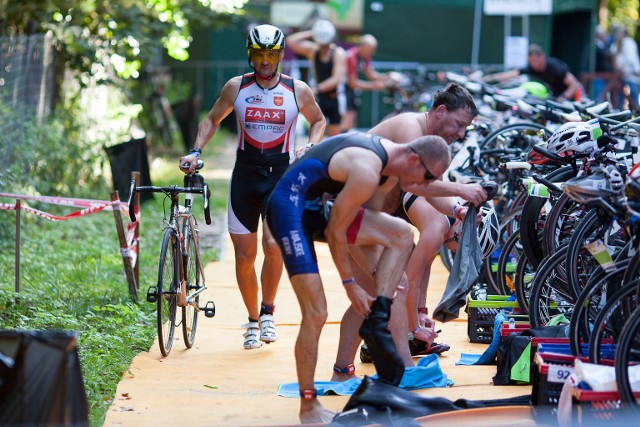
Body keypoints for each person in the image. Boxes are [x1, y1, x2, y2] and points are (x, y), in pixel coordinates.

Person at [266, 132, 451, 424]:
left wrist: (378, 274)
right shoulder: (368, 170)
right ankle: (308, 406)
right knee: (316, 312)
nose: (423, 186)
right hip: (290, 209)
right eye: (426, 177)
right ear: (413, 159)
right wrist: (350, 285)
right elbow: (338, 234)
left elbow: (361, 235)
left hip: (320, 208)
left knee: (401, 234)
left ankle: (377, 320)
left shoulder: (389, 172)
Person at [179, 24, 325, 350]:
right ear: (250, 54)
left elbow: (318, 120)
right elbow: (211, 119)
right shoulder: (236, 87)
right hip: (244, 176)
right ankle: (252, 320)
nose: (265, 60)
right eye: (259, 53)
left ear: (280, 55)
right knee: (245, 256)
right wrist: (196, 150)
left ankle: (268, 311)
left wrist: (312, 145)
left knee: (273, 246)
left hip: (280, 176)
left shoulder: (296, 89)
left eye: (271, 54)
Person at [330, 83, 487, 380]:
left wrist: (456, 210)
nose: (461, 133)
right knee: (396, 284)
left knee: (374, 294)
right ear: (440, 111)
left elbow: (428, 191)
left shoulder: (431, 142)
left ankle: (343, 370)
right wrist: (461, 190)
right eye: (459, 124)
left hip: (366, 216)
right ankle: (404, 367)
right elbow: (413, 185)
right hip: (351, 212)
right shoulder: (409, 128)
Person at [286, 19, 347, 136]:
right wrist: (313, 32)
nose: (323, 47)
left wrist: (315, 89)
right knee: (316, 131)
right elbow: (291, 41)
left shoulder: (338, 53)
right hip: (320, 98)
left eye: (325, 45)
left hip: (335, 98)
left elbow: (335, 80)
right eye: (321, 44)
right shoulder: (314, 51)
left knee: (334, 135)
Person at [341, 34, 401, 131]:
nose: (372, 52)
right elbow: (352, 83)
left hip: (351, 91)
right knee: (347, 119)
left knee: (352, 118)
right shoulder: (351, 57)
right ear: (363, 46)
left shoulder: (365, 56)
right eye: (370, 49)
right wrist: (375, 86)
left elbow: (371, 74)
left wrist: (387, 77)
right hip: (342, 90)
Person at [484, 43, 583, 101]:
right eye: (531, 62)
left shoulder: (554, 66)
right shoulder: (532, 68)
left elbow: (574, 84)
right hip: (556, 96)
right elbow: (511, 74)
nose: (533, 64)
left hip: (574, 95)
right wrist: (488, 79)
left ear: (542, 56)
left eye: (535, 61)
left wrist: (563, 97)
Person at [610, 24, 640, 111]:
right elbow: (632, 61)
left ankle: (620, 115)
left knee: (620, 101)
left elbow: (616, 62)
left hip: (622, 76)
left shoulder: (616, 44)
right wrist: (637, 71)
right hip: (632, 76)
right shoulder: (629, 43)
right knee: (633, 101)